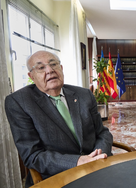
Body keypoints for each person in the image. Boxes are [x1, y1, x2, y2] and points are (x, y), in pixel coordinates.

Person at [5, 51, 113, 187]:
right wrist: (78, 161)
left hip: (98, 167)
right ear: (31, 76)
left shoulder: (84, 95)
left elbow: (102, 132)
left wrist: (100, 155)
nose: (50, 70)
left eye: (53, 64)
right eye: (41, 67)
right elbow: (32, 155)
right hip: (57, 176)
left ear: (61, 69)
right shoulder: (19, 102)